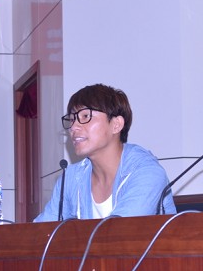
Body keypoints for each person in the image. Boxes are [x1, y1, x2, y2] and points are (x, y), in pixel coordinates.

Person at [34, 83, 174, 221]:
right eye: (71, 119)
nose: (73, 127)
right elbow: (42, 230)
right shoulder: (71, 178)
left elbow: (121, 230)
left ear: (116, 125)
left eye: (85, 116)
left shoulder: (147, 172)